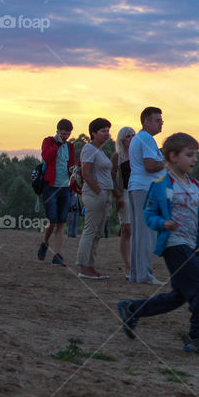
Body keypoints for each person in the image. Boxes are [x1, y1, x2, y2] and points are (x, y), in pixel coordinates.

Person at [117, 132, 199, 359]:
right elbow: (149, 215)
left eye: (196, 155)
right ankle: (198, 337)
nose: (194, 159)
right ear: (172, 156)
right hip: (174, 245)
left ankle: (132, 308)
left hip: (192, 245)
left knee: (180, 295)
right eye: (189, 154)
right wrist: (163, 223)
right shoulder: (160, 186)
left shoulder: (197, 188)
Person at [127, 107, 166, 284]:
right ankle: (144, 275)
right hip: (144, 189)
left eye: (161, 120)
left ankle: (136, 273)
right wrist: (167, 161)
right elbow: (150, 165)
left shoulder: (141, 138)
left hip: (138, 188)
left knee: (138, 233)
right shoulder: (146, 139)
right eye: (157, 120)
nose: (161, 123)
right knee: (146, 234)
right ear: (145, 121)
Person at [76, 118, 115, 279]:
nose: (107, 133)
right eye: (103, 130)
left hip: (103, 194)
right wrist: (99, 191)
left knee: (97, 232)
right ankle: (83, 267)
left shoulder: (99, 150)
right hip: (95, 195)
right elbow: (86, 173)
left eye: (108, 130)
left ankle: (90, 266)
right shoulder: (89, 149)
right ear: (93, 133)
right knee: (90, 230)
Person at [38, 119, 77, 265]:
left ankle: (57, 255)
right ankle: (45, 242)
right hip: (50, 186)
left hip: (65, 187)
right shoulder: (49, 141)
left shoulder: (70, 147)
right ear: (58, 131)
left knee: (61, 222)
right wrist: (57, 144)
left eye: (68, 134)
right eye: (63, 133)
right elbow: (46, 156)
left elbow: (70, 165)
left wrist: (73, 180)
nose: (66, 136)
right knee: (52, 221)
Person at [111, 126, 135, 277]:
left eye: (133, 135)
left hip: (137, 194)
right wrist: (117, 196)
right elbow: (111, 178)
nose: (131, 138)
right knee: (126, 230)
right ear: (122, 139)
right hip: (124, 193)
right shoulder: (117, 157)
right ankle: (128, 266)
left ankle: (136, 263)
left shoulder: (138, 155)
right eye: (128, 136)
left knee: (137, 230)